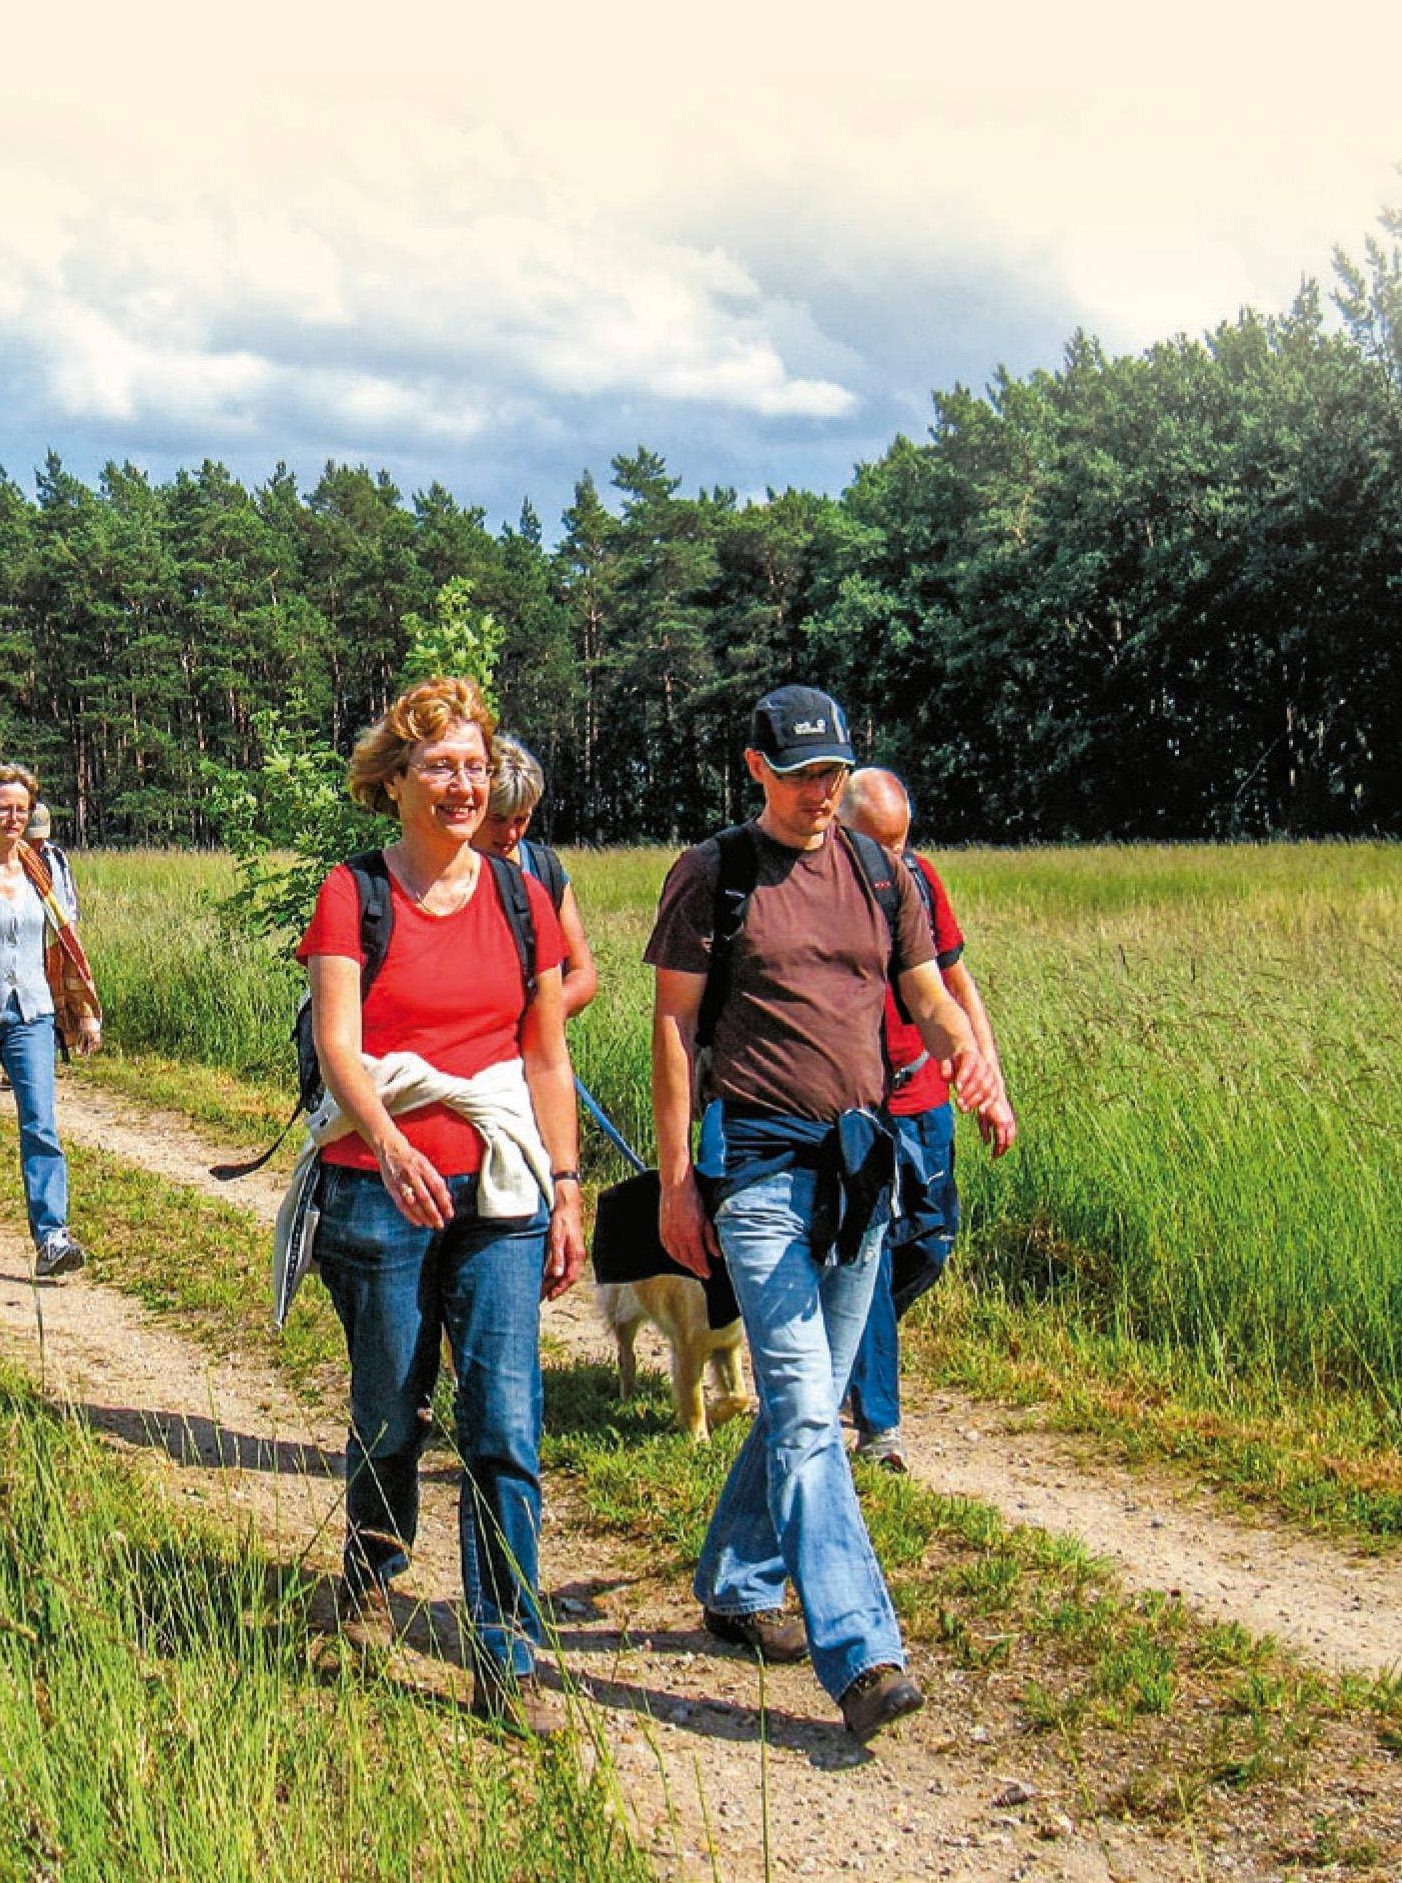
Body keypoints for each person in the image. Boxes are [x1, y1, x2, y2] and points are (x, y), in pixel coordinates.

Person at [645, 684, 1013, 1743]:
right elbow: (673, 1029)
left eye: (832, 775)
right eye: (801, 774)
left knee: (797, 1408)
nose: (819, 794)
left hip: (861, 1169)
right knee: (810, 1410)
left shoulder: (877, 869)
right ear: (754, 769)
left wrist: (964, 1056)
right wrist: (678, 1181)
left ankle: (733, 1578)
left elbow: (926, 993)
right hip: (758, 1170)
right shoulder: (711, 876)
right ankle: (863, 1652)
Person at [296, 678, 584, 1735]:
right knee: (389, 1408)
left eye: (475, 766)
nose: (464, 786)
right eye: (441, 767)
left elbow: (545, 1054)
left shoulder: (523, 898)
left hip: (503, 1189)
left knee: (505, 1423)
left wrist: (565, 1185)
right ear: (395, 781)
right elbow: (338, 1041)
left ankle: (505, 1657)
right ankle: (371, 1571)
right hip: (381, 1189)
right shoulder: (352, 891)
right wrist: (389, 1141)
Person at [838, 768, 1016, 1472]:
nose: (893, 856)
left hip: (924, 1095)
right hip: (856, 1103)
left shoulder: (917, 879)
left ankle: (849, 1339)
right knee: (872, 1254)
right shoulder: (817, 894)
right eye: (877, 843)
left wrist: (989, 1079)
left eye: (900, 840)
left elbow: (955, 984)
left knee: (932, 1242)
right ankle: (879, 1431)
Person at [0, 763, 102, 1278]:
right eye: (3, 807)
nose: (13, 817)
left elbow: (63, 945)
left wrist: (82, 1013)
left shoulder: (41, 871)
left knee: (41, 1126)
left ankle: (52, 1237)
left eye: (21, 809)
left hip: (32, 1012)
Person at [472, 735, 598, 1021]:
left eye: (521, 819)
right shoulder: (439, 870)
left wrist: (547, 1011)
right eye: (497, 818)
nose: (510, 835)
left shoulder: (545, 868)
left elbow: (582, 973)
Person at [25, 801, 81, 926]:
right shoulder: (9, 860)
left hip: (57, 933)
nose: (37, 842)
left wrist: (71, 927)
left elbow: (70, 899)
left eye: (40, 838)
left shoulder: (57, 856)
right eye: (32, 838)